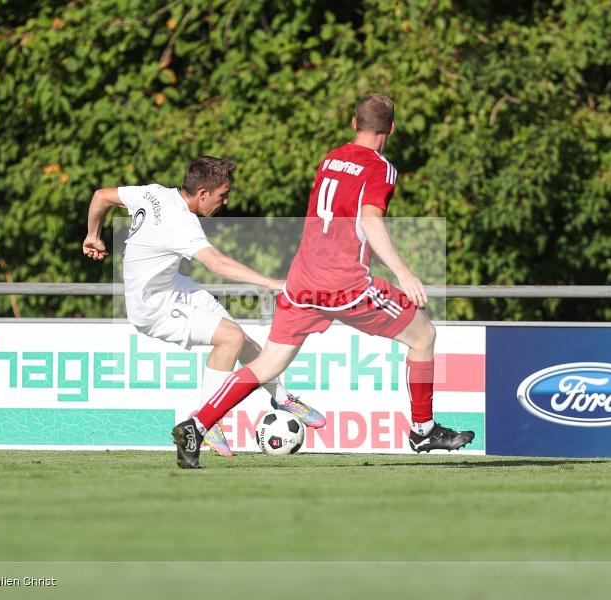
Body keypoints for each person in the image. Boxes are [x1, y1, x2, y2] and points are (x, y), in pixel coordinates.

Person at [172, 96, 474, 468]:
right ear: (391, 129)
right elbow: (370, 221)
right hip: (345, 285)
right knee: (423, 335)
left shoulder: (331, 158)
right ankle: (423, 430)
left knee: (267, 365)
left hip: (302, 281)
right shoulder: (381, 168)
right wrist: (403, 272)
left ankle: (197, 425)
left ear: (354, 123)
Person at [83, 156, 325, 457]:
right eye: (223, 195)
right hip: (153, 308)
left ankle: (282, 398)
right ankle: (205, 423)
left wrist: (93, 235)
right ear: (202, 194)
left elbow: (101, 196)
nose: (225, 202)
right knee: (231, 338)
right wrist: (271, 283)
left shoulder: (154, 193)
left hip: (173, 287)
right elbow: (217, 264)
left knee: (241, 339)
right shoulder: (180, 222)